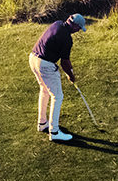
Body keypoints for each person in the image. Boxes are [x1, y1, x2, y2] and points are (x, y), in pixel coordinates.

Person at [29, 13, 87, 142]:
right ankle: (54, 132)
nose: (78, 31)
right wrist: (70, 75)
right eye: (79, 28)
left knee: (44, 91)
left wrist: (69, 70)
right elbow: (64, 62)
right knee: (57, 96)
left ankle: (42, 123)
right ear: (75, 25)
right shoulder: (67, 38)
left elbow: (66, 60)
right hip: (45, 64)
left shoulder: (57, 24)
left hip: (33, 58)